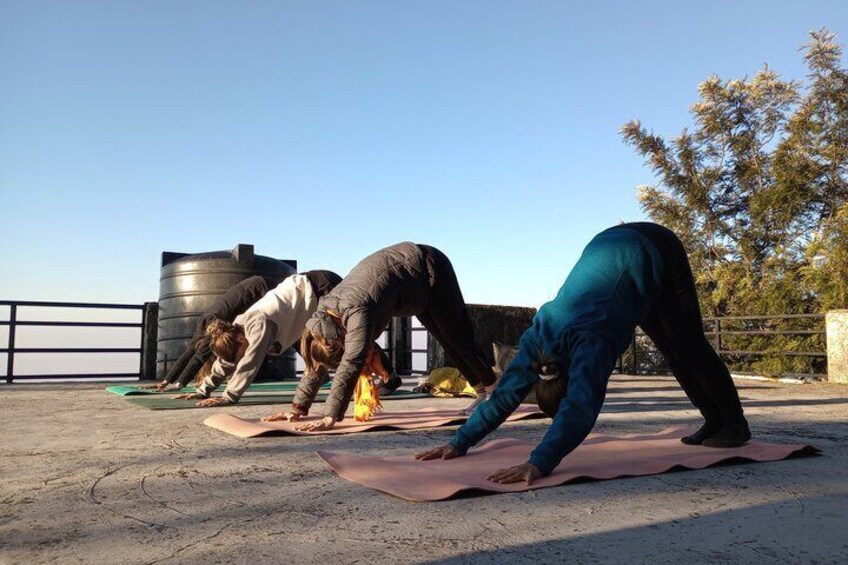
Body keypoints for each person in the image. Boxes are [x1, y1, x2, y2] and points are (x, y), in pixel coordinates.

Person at [415, 223, 751, 485]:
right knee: (672, 348)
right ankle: (713, 422)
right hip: (612, 254)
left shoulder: (592, 342)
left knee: (687, 345)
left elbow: (580, 408)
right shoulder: (538, 338)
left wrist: (540, 461)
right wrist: (460, 442)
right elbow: (504, 395)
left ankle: (734, 425)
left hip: (653, 246)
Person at [265, 242, 497, 430]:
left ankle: (493, 391)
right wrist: (297, 408)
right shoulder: (322, 318)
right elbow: (315, 365)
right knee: (445, 339)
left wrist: (330, 416)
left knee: (458, 336)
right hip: (411, 287)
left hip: (429, 267)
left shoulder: (357, 311)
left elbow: (352, 362)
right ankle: (480, 393)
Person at [173, 270, 342, 407]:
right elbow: (225, 362)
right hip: (311, 292)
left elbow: (250, 362)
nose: (240, 358)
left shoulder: (259, 323)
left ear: (240, 339)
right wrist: (203, 390)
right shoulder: (237, 327)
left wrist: (229, 396)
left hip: (323, 287)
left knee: (339, 340)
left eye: (240, 354)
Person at [148, 275, 280, 391]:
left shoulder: (214, 330)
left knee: (275, 321)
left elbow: (198, 358)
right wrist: (167, 380)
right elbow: (189, 353)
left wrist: (180, 384)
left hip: (261, 288)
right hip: (253, 284)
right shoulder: (204, 324)